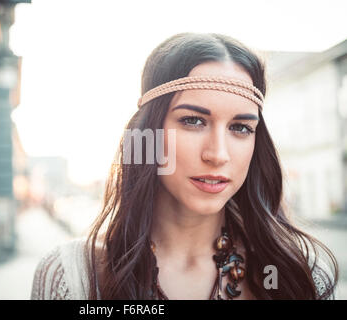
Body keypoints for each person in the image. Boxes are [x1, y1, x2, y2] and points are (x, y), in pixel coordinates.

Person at [30, 32, 338, 300]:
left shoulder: (300, 274)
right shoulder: (72, 279)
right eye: (193, 121)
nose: (218, 155)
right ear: (148, 135)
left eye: (240, 127)